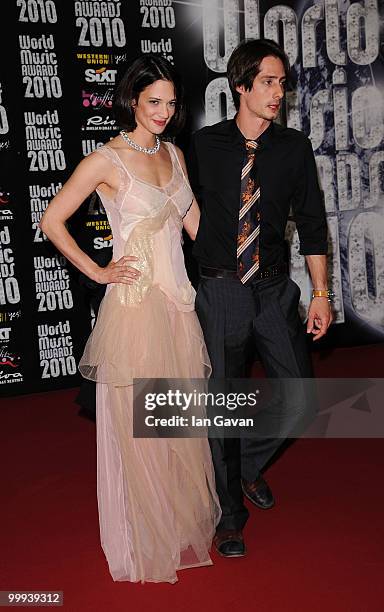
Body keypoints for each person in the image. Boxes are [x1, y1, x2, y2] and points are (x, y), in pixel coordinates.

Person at [40, 55, 220, 584]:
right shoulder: (107, 160)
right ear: (131, 102)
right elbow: (52, 220)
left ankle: (175, 525)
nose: (164, 112)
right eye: (153, 102)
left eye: (170, 102)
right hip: (136, 308)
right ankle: (142, 539)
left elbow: (196, 229)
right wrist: (97, 271)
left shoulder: (175, 156)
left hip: (177, 306)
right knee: (139, 431)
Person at [188, 38, 333, 558]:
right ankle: (229, 515)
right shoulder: (202, 146)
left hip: (273, 288)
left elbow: (313, 226)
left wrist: (320, 293)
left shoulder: (294, 148)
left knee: (299, 398)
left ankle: (245, 465)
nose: (279, 92)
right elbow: (174, 200)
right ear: (241, 86)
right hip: (222, 289)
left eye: (282, 82)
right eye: (268, 82)